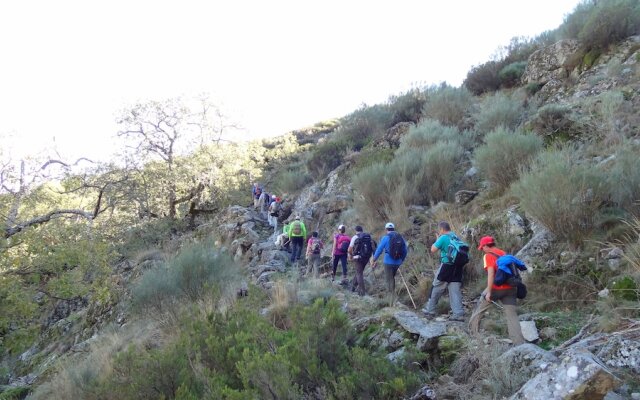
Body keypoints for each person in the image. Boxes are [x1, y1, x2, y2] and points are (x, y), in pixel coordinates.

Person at [469, 236, 525, 345]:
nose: (482, 250)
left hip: (496, 289)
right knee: (511, 315)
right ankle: (519, 343)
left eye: (482, 247)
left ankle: (473, 334)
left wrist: (489, 292)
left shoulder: (488, 256)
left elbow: (491, 274)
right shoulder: (503, 253)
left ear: (486, 246)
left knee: (480, 308)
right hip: (511, 288)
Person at [422, 221, 465, 321]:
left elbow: (433, 249)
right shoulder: (455, 237)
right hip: (458, 267)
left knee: (436, 286)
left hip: (446, 266)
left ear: (441, 229)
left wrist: (437, 239)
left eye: (439, 230)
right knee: (455, 290)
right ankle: (458, 314)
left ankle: (430, 310)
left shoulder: (443, 237)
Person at [372, 222, 408, 306]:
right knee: (392, 278)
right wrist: (401, 260)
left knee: (389, 281)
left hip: (388, 262)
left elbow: (379, 250)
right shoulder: (400, 237)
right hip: (397, 263)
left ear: (386, 229)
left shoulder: (385, 238)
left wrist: (374, 259)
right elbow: (405, 250)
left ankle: (391, 302)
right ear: (394, 229)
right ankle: (393, 299)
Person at [348, 225, 374, 296]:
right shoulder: (367, 237)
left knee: (359, 273)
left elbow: (349, 249)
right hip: (366, 257)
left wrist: (350, 256)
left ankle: (362, 292)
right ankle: (352, 288)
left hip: (358, 258)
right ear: (362, 230)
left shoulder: (355, 237)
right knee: (359, 271)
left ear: (356, 230)